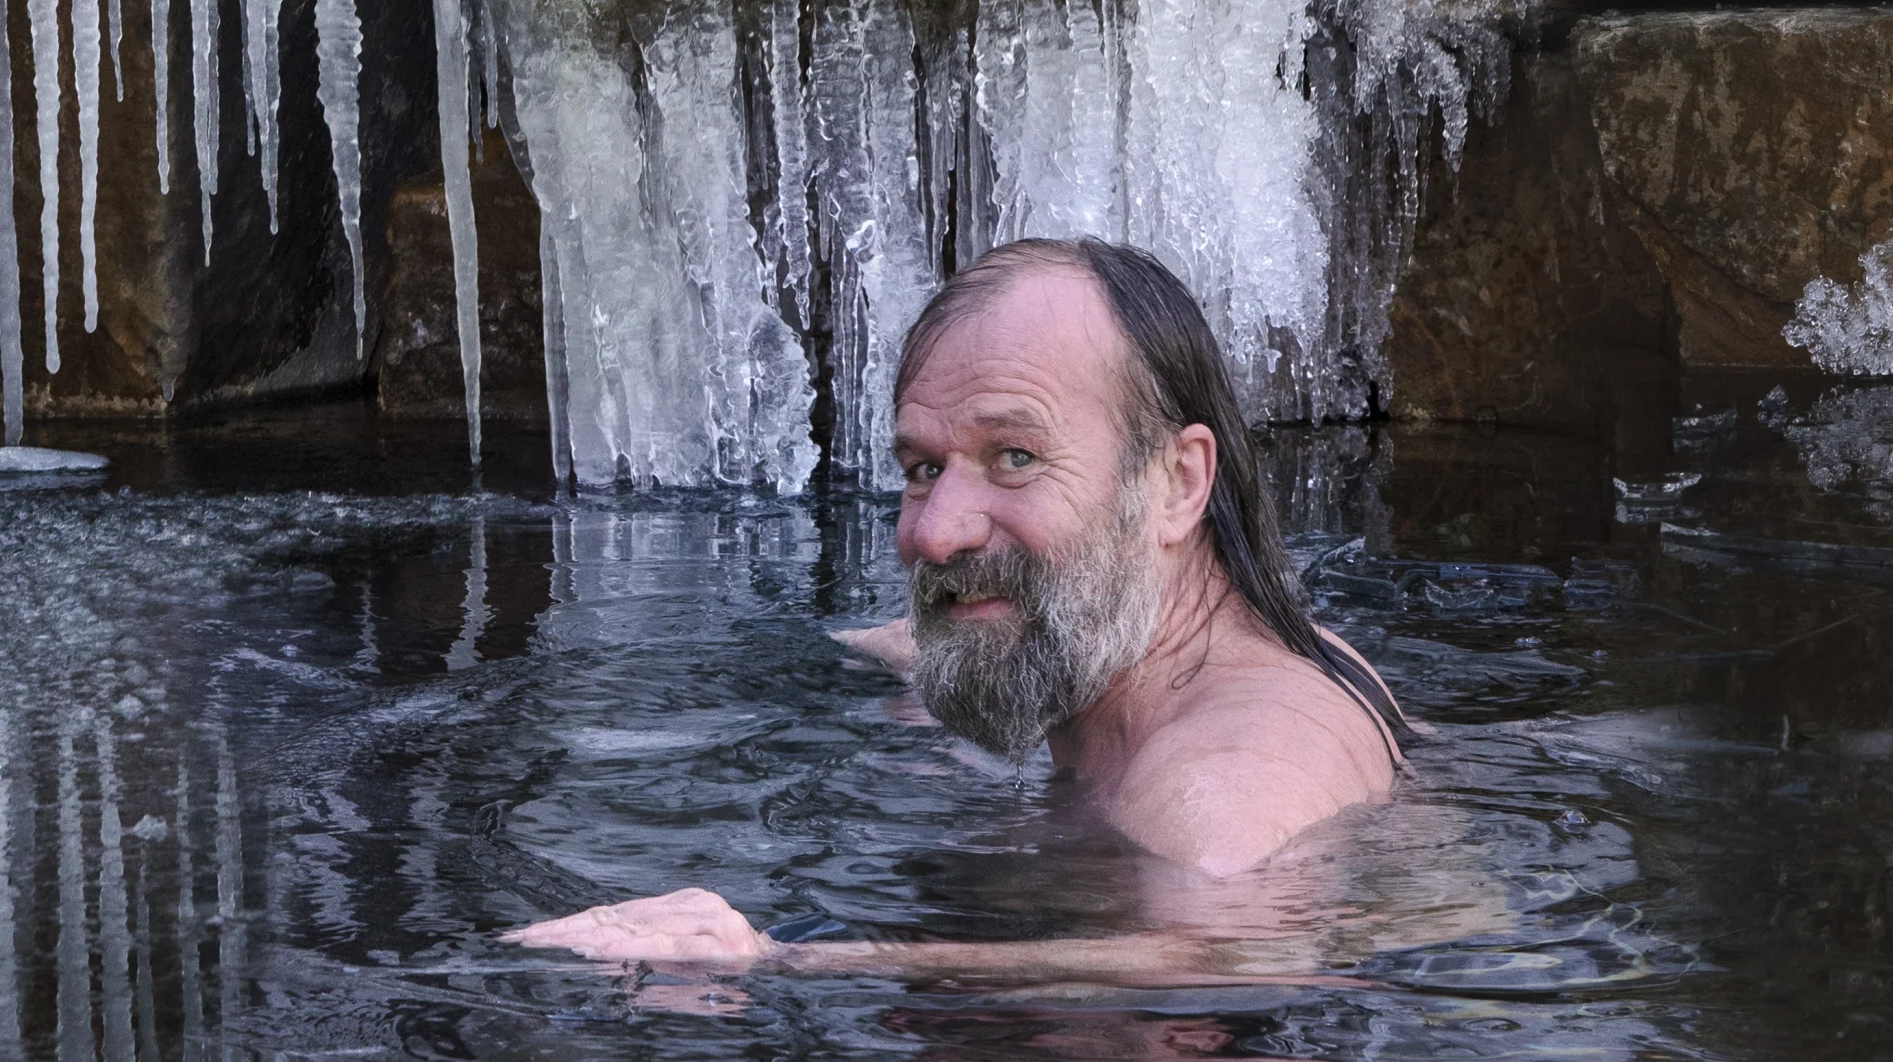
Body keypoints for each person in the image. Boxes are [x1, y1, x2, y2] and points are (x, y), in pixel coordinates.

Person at [509, 236, 1408, 985]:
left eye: (1015, 457)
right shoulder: (1264, 647)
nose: (934, 535)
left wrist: (776, 961)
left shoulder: (1213, 788)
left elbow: (1227, 954)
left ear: (1176, 484)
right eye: (924, 469)